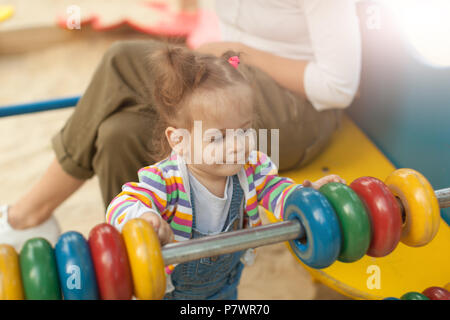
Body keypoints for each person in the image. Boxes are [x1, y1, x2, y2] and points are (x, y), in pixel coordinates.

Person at [0, 0, 361, 251]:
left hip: (298, 114)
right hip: (235, 79)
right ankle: (137, 257)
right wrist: (229, 57)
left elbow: (338, 88)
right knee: (118, 134)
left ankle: (30, 214)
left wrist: (234, 52)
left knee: (121, 61)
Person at [105, 45, 346, 299]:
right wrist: (143, 217)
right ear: (179, 141)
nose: (237, 146)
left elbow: (276, 190)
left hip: (225, 286)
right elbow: (121, 204)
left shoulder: (251, 168)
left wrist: (305, 197)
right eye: (218, 138)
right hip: (172, 292)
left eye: (244, 131)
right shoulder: (167, 180)